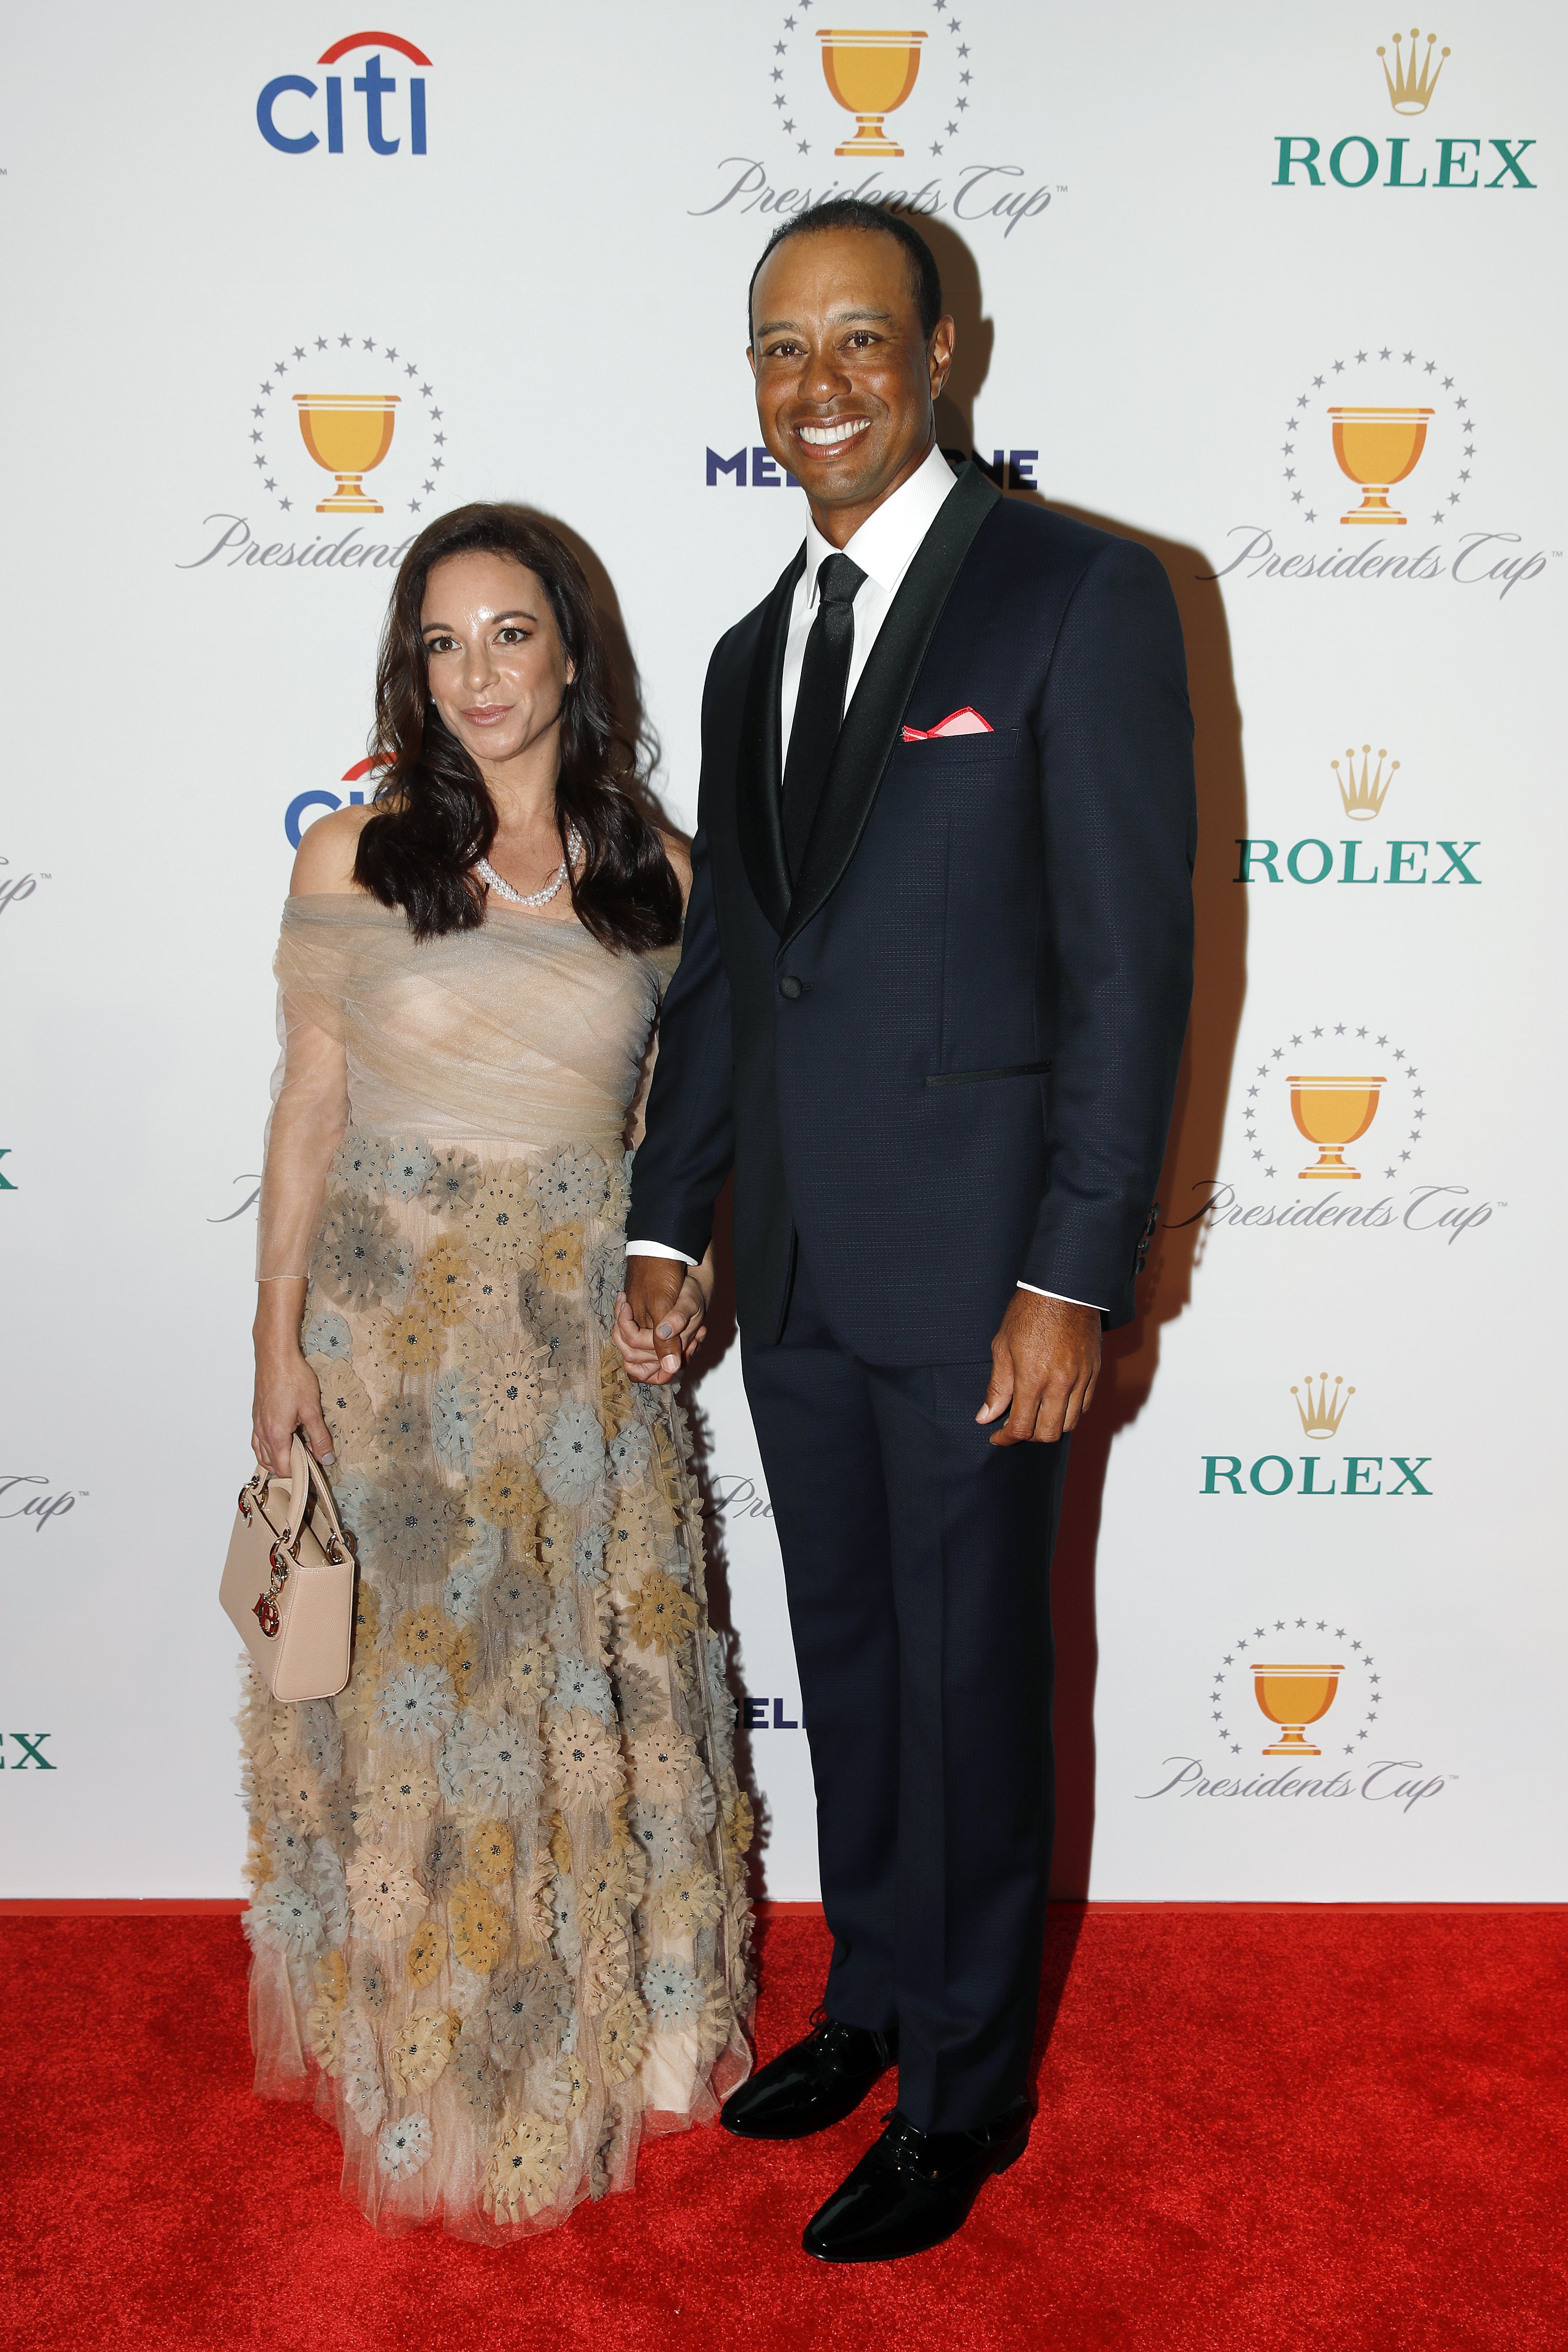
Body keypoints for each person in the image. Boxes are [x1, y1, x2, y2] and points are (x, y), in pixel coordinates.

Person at [618, 201, 1195, 2262]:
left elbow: (1135, 973)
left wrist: (1076, 1274)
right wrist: (667, 1225)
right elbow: (731, 976)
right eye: (782, 349)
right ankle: (872, 1996)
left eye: (863, 339)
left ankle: (965, 2087)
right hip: (800, 1276)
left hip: (981, 1284)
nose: (821, 386)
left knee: (973, 1684)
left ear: (947, 351)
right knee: (851, 1659)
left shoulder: (1077, 596)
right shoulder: (752, 644)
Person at [243, 503, 752, 2242]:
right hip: (386, 1349)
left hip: (570, 1356)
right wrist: (271, 1346)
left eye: (510, 633)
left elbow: (684, 1148)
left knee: (570, 1694)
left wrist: (683, 1283)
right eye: (443, 641)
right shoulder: (355, 860)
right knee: (416, 1711)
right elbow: (307, 1108)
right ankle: (426, 2045)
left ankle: (611, 2028)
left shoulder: (666, 878)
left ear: (571, 650)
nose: (478, 673)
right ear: (413, 666)